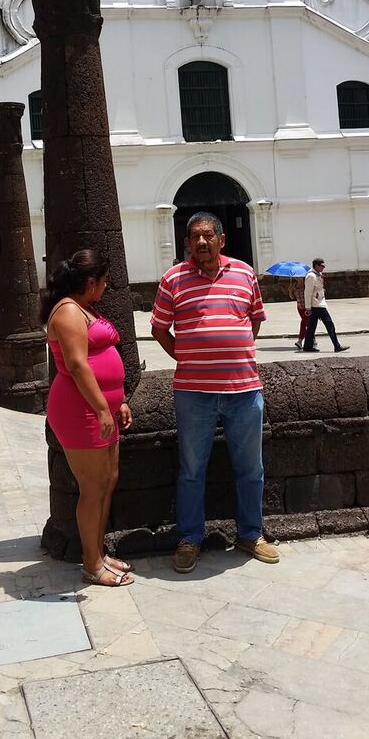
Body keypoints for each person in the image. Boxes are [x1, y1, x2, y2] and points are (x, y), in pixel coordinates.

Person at [151, 212, 279, 574]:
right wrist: (188, 355)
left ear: (222, 240)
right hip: (193, 393)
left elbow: (253, 319)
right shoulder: (172, 279)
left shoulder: (244, 273)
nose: (202, 242)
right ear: (187, 243)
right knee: (192, 469)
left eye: (208, 235)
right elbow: (160, 328)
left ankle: (251, 534)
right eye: (195, 237)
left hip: (244, 389)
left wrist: (230, 351)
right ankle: (190, 538)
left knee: (250, 468)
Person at [42, 249, 134, 588]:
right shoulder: (67, 312)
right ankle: (91, 563)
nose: (106, 287)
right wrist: (99, 408)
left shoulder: (85, 308)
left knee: (108, 479)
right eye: (104, 281)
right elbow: (78, 365)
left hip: (102, 407)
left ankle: (98, 551)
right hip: (80, 409)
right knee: (92, 487)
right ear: (91, 281)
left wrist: (117, 401)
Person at [302, 259, 349, 354]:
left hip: (318, 303)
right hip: (317, 305)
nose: (323, 268)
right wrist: (308, 307)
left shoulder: (317, 275)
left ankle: (307, 346)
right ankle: (337, 346)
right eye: (321, 266)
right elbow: (307, 293)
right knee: (329, 325)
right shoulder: (311, 276)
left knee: (311, 327)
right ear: (316, 266)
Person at [288, 275, 318, 352]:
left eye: (300, 277)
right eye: (297, 277)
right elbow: (292, 297)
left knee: (304, 323)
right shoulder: (294, 285)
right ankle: (313, 340)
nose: (298, 278)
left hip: (307, 307)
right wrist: (290, 291)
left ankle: (300, 341)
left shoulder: (306, 284)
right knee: (308, 324)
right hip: (300, 307)